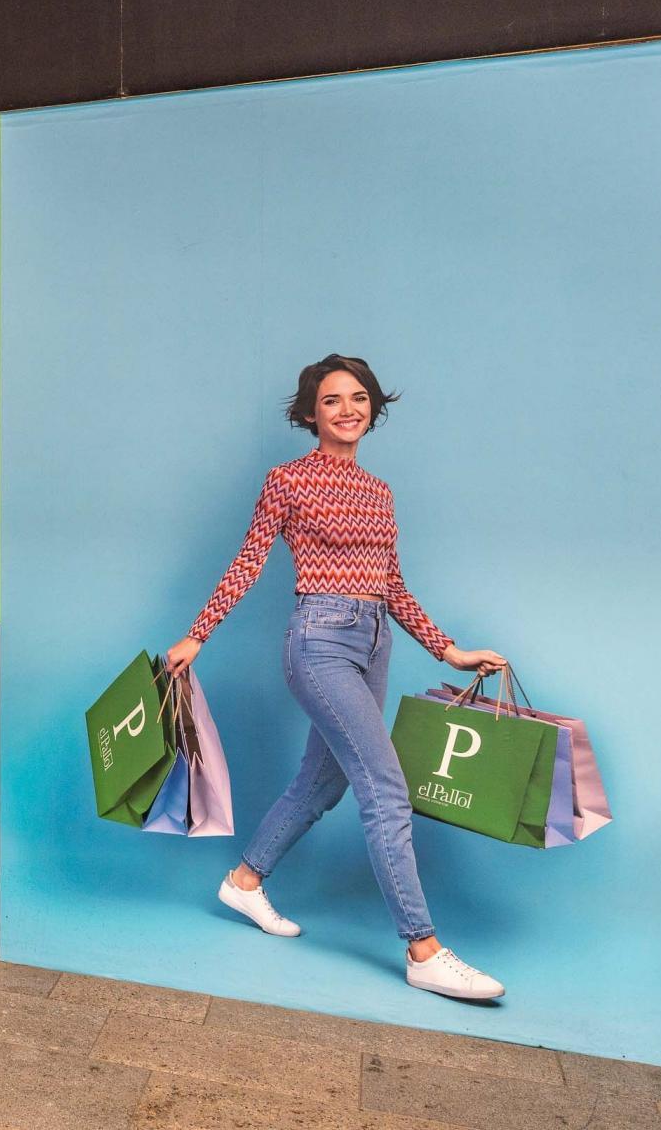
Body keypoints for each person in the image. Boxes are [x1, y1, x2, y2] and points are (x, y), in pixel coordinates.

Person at [165, 355, 509, 1001]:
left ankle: (244, 881)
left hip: (374, 641)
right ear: (309, 413)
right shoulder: (287, 480)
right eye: (331, 400)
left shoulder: (380, 492)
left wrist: (449, 651)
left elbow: (393, 586)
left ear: (372, 409)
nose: (347, 409)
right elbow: (248, 560)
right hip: (319, 641)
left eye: (358, 398)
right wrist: (198, 633)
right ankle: (423, 949)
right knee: (385, 788)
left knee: (322, 783)